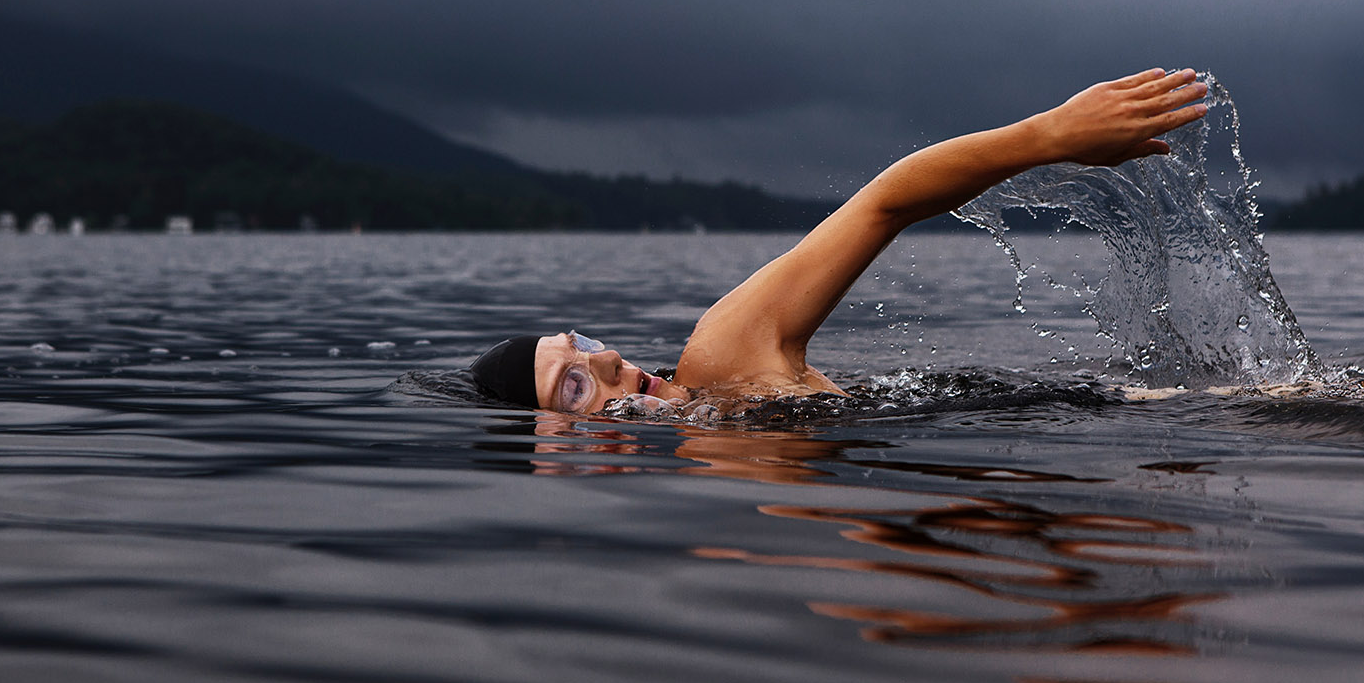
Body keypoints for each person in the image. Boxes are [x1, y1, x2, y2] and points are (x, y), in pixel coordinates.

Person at [469, 68, 1211, 414]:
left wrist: (1048, 136)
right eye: (574, 384)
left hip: (1159, 412)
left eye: (583, 343)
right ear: (554, 452)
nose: (607, 359)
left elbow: (883, 204)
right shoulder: (716, 495)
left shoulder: (723, 357)